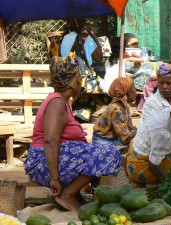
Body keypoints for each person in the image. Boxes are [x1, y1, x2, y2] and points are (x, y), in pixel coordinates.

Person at [24, 56, 122, 211]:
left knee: (95, 151)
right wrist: (54, 178)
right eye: (80, 80)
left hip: (52, 161)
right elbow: (50, 141)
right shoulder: (56, 103)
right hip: (43, 163)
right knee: (108, 153)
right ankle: (67, 195)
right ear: (74, 82)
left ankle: (72, 194)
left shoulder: (61, 102)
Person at [60, 18, 110, 123]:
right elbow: (99, 57)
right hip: (83, 79)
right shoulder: (85, 38)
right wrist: (93, 35)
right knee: (106, 88)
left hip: (65, 77)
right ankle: (90, 113)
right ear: (82, 23)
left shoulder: (61, 38)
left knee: (87, 96)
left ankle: (81, 113)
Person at [93, 77, 137, 151]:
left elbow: (129, 128)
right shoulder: (117, 110)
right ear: (127, 92)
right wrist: (139, 131)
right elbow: (125, 139)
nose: (136, 92)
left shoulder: (124, 106)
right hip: (103, 142)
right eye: (134, 89)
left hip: (111, 138)